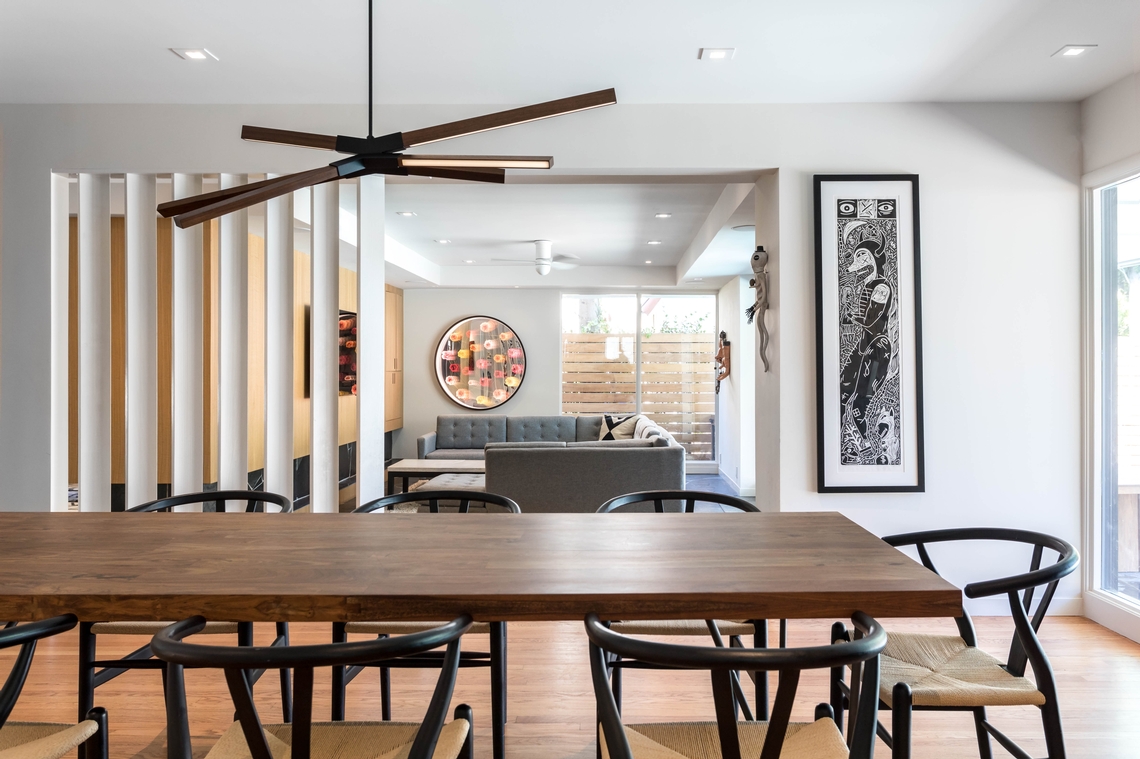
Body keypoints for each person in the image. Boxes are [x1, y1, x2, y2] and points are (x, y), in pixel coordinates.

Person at [839, 238, 894, 460]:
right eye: (857, 256)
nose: (858, 261)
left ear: (874, 259)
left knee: (861, 402)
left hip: (877, 347)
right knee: (842, 394)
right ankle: (846, 444)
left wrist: (850, 315)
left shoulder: (881, 286)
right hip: (863, 345)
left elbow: (872, 321)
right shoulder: (866, 285)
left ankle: (869, 448)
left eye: (863, 256)